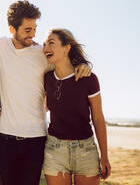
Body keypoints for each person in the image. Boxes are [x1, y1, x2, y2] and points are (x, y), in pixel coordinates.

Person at [0, 1, 91, 185]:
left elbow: (66, 62)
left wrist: (83, 64)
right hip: (6, 137)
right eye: (27, 30)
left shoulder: (41, 54)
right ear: (12, 29)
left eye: (34, 28)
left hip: (36, 138)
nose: (33, 34)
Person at [42, 28, 111, 185]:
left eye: (51, 43)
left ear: (67, 48)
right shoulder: (46, 78)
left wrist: (104, 155)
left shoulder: (88, 78)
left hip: (85, 150)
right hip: (54, 150)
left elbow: (98, 118)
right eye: (45, 44)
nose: (46, 48)